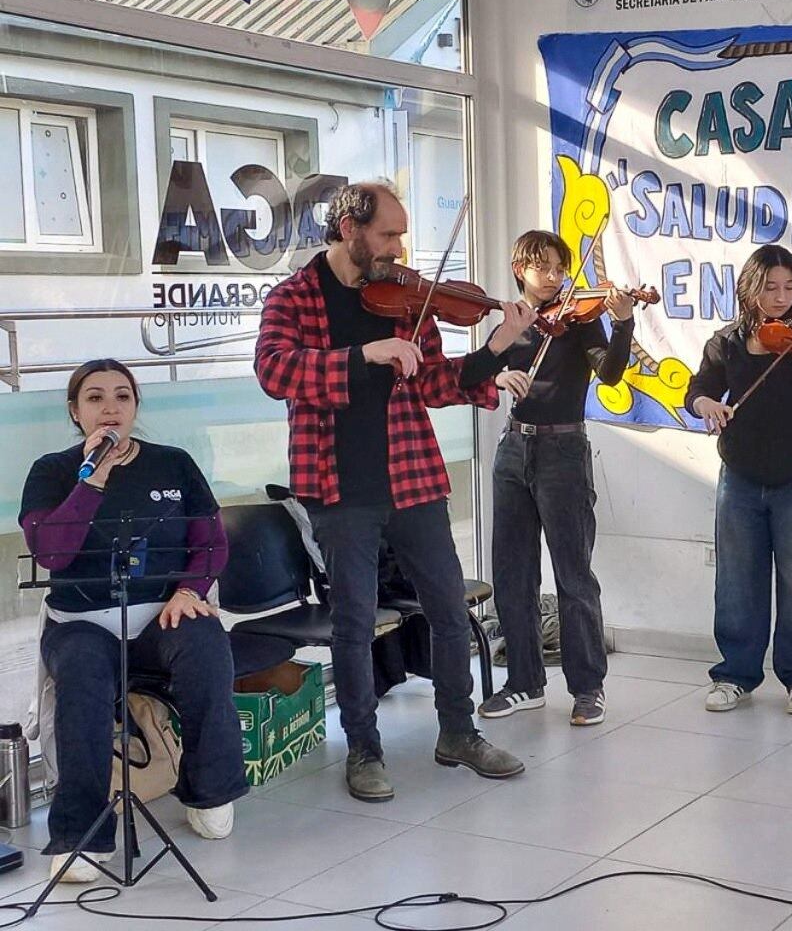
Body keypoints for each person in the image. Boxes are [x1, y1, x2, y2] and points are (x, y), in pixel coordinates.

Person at [255, 182, 536, 802]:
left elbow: (435, 383)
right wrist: (364, 355)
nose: (399, 247)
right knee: (354, 624)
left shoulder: (407, 298)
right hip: (336, 485)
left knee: (448, 610)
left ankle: (458, 733)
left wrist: (495, 348)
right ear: (349, 228)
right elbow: (275, 370)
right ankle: (363, 750)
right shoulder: (295, 297)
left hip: (412, 477)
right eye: (388, 234)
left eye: (402, 234)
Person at [19, 359, 244, 882]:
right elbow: (51, 553)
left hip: (160, 616)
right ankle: (82, 832)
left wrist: (191, 589)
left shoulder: (174, 463)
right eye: (95, 398)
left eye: (122, 396)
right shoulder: (51, 470)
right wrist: (92, 478)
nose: (111, 407)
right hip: (80, 623)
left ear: (136, 406)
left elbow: (210, 541)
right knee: (81, 675)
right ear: (76, 412)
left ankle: (210, 791)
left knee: (207, 646)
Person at [684, 244, 792, 717]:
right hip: (740, 475)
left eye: (790, 287)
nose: (782, 297)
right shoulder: (725, 343)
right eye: (771, 287)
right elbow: (698, 390)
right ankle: (735, 675)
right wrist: (706, 405)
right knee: (737, 580)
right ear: (751, 288)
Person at [477, 231, 634, 727]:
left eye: (560, 268)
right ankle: (524, 682)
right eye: (542, 267)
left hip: (563, 450)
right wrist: (497, 378)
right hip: (513, 448)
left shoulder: (580, 324)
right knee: (512, 571)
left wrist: (622, 323)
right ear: (519, 267)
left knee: (573, 573)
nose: (553, 277)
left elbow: (608, 375)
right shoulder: (511, 324)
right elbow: (475, 375)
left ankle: (588, 687)